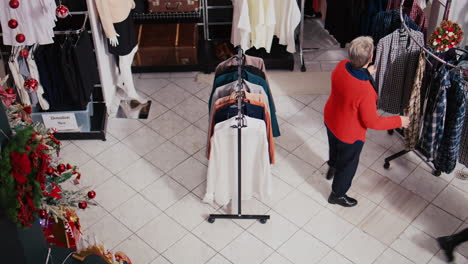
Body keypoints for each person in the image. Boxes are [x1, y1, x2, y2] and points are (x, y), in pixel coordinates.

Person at [324, 36, 410, 207]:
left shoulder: (341, 67)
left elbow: (348, 83)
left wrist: (366, 73)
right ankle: (337, 194)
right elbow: (373, 122)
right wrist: (399, 120)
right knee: (348, 164)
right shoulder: (365, 91)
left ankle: (332, 167)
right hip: (349, 133)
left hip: (331, 118)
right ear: (370, 58)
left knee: (334, 147)